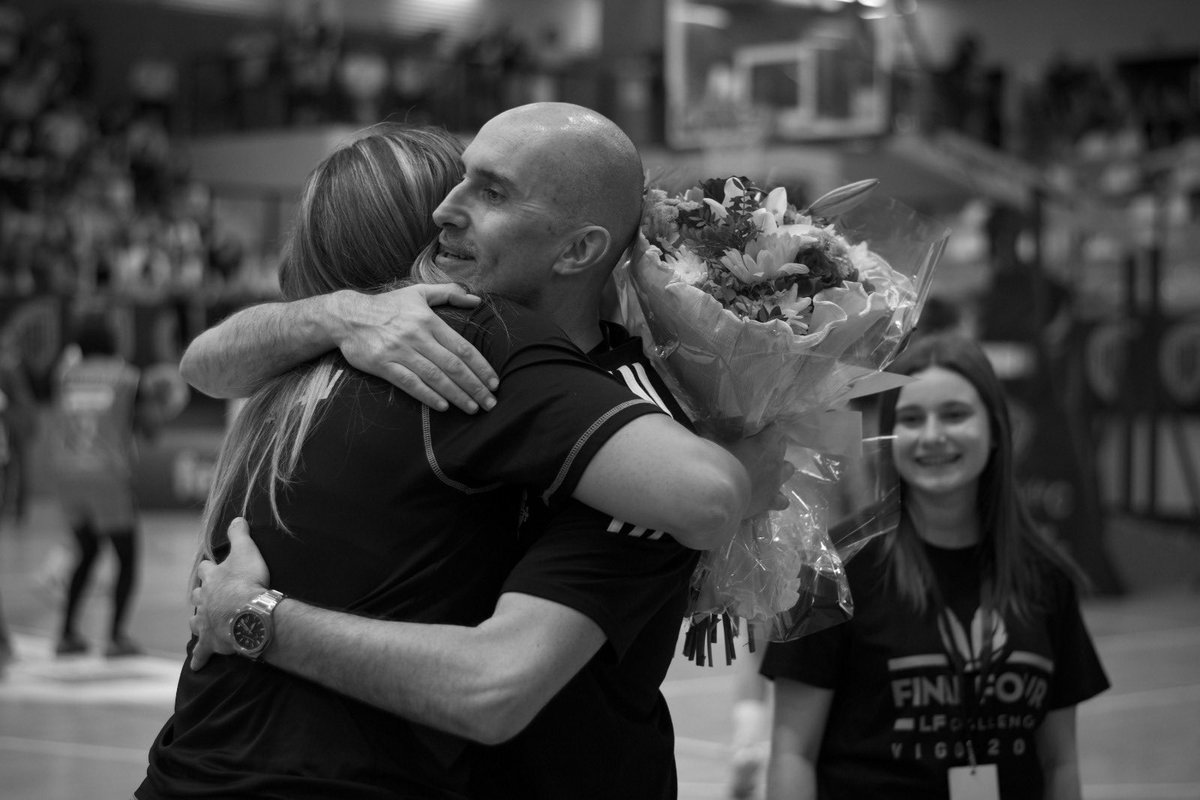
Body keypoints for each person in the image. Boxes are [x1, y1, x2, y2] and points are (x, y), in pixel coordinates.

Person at [141, 114, 785, 799]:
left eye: (491, 192)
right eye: (457, 186)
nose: (451, 212)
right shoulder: (407, 346)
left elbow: (497, 684)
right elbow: (203, 362)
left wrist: (754, 453)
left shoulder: (401, 358)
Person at [760, 332, 1110, 800]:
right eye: (911, 418)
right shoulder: (833, 570)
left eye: (955, 415)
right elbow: (792, 754)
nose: (933, 435)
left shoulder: (1046, 577)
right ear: (891, 435)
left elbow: (1060, 763)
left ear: (996, 432)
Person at [51, 311, 167, 658]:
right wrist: (162, 404)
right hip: (107, 475)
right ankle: (116, 637)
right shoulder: (128, 377)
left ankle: (66, 633)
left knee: (86, 551)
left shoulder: (67, 377)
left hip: (67, 474)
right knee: (127, 557)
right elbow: (150, 430)